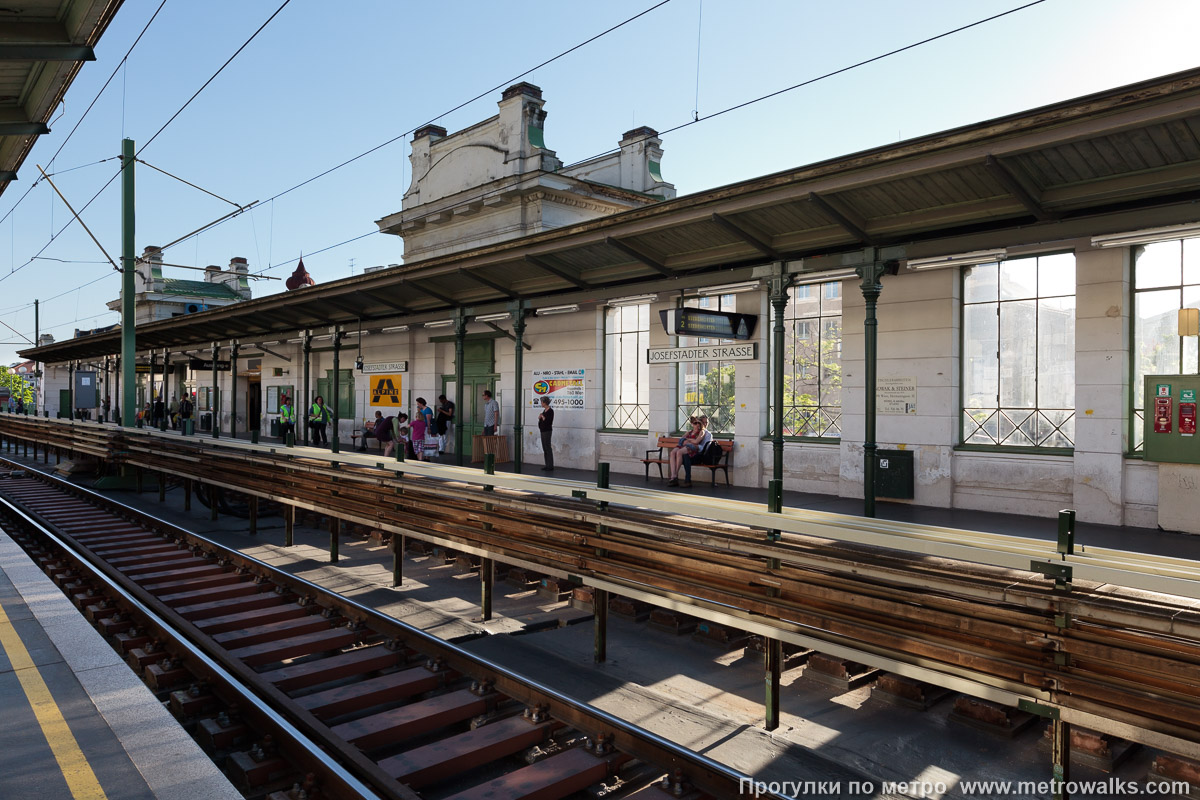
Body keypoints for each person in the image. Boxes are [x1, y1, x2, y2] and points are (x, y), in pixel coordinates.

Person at [667, 416, 712, 488]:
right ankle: (676, 477)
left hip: (699, 455)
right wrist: (688, 441)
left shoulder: (706, 433)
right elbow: (682, 439)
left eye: (706, 422)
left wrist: (690, 443)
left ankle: (684, 479)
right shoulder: (691, 432)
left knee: (683, 455)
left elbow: (703, 448)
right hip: (689, 450)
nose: (705, 424)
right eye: (703, 422)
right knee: (677, 454)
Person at [537, 396, 554, 471]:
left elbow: (549, 421)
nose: (541, 403)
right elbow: (541, 422)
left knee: (547, 447)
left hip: (547, 431)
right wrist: (540, 418)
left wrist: (543, 418)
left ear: (545, 402)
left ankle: (550, 465)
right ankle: (547, 464)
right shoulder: (544, 411)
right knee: (544, 448)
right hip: (543, 430)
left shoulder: (550, 411)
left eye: (542, 402)